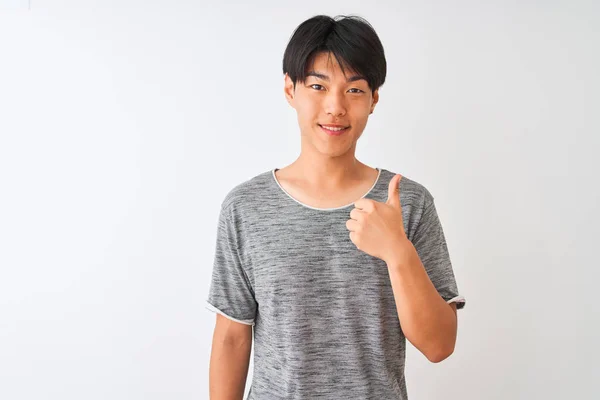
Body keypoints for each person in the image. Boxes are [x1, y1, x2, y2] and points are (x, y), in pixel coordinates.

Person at [206, 14, 466, 400]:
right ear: (290, 90)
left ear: (374, 99)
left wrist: (398, 252)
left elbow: (439, 345)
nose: (335, 107)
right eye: (318, 85)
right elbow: (231, 338)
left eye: (355, 90)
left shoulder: (408, 203)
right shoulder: (245, 207)